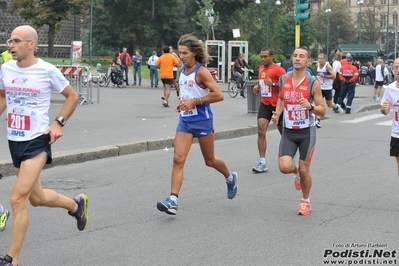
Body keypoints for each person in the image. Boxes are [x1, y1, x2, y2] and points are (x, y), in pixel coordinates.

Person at [0, 25, 89, 266]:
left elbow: (72, 96)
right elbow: (2, 96)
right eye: (10, 40)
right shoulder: (6, 69)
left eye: (16, 41)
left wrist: (58, 123)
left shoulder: (47, 70)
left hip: (37, 141)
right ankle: (75, 205)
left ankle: (12, 259)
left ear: (31, 44)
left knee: (17, 199)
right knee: (36, 199)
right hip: (14, 140)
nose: (10, 45)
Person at [156, 34, 237, 215]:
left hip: (202, 120)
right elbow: (186, 94)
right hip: (185, 121)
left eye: (185, 53)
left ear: (194, 53)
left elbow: (218, 95)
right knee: (178, 159)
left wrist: (195, 102)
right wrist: (182, 103)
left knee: (210, 160)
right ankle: (173, 200)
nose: (182, 56)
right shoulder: (182, 71)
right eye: (180, 53)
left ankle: (230, 177)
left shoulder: (201, 71)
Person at [271, 46, 326, 216]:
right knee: (284, 167)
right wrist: (277, 113)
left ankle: (305, 201)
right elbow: (281, 98)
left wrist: (310, 107)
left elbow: (322, 110)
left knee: (305, 170)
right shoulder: (284, 78)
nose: (297, 59)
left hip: (306, 132)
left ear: (307, 61)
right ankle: (296, 173)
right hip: (288, 130)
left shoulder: (312, 82)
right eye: (295, 55)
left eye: (301, 56)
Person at [251, 47, 286, 173]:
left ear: (271, 57)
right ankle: (262, 162)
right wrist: (257, 88)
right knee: (261, 131)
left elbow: (287, 85)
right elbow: (263, 83)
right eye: (261, 56)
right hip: (265, 104)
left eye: (265, 56)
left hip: (278, 105)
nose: (263, 59)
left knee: (284, 134)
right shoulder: (261, 69)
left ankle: (288, 155)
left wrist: (274, 85)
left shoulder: (279, 70)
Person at [381, 58, 399, 174]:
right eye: (396, 67)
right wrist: (384, 109)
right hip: (397, 133)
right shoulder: (390, 89)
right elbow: (385, 110)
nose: (398, 70)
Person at [314, 53, 343, 128]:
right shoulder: (317, 65)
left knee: (330, 105)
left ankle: (337, 107)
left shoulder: (327, 66)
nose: (319, 60)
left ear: (324, 59)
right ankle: (318, 121)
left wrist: (325, 76)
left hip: (327, 88)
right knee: (320, 105)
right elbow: (318, 75)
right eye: (319, 58)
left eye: (321, 59)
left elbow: (334, 75)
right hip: (320, 88)